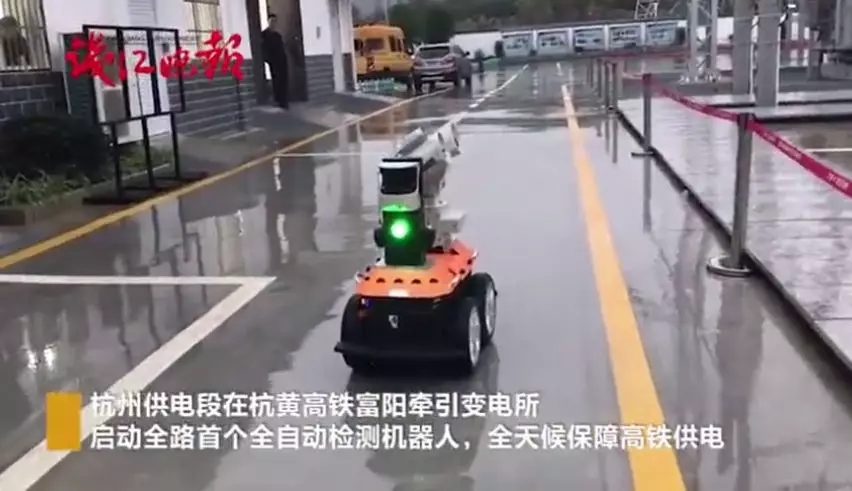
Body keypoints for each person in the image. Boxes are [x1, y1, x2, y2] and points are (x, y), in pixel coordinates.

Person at [261, 14, 288, 109]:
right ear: (268, 22)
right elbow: (263, 48)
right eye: (271, 21)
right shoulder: (264, 34)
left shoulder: (277, 35)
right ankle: (277, 99)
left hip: (281, 60)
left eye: (275, 21)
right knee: (276, 80)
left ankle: (283, 100)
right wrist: (266, 59)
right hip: (272, 60)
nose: (273, 23)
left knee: (283, 80)